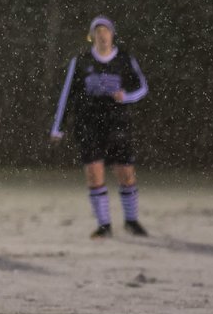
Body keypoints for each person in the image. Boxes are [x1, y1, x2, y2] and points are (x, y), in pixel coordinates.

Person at [50, 16, 150, 238]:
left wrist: (126, 96)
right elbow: (67, 94)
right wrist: (58, 127)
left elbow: (142, 88)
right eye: (98, 31)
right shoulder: (81, 61)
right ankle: (104, 225)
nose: (102, 35)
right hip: (88, 124)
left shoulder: (124, 59)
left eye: (106, 31)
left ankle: (131, 220)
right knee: (94, 174)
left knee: (126, 174)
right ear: (92, 36)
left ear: (112, 34)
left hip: (117, 124)